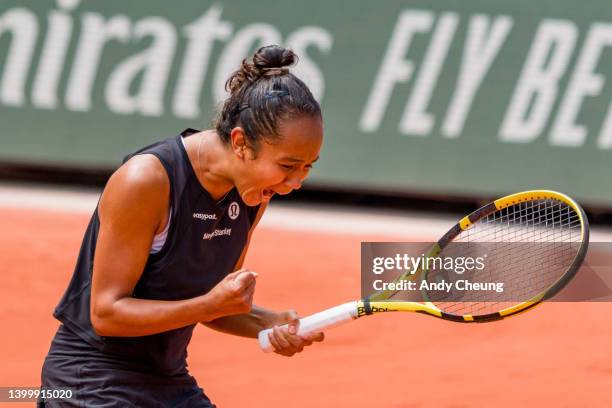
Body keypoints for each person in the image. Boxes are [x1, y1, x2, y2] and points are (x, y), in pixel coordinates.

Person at [39, 45, 325, 407]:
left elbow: (215, 305)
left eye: (308, 167)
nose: (295, 183)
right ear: (240, 143)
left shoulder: (253, 192)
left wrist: (268, 322)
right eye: (287, 166)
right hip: (89, 380)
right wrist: (209, 305)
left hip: (167, 379)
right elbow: (107, 313)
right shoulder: (147, 181)